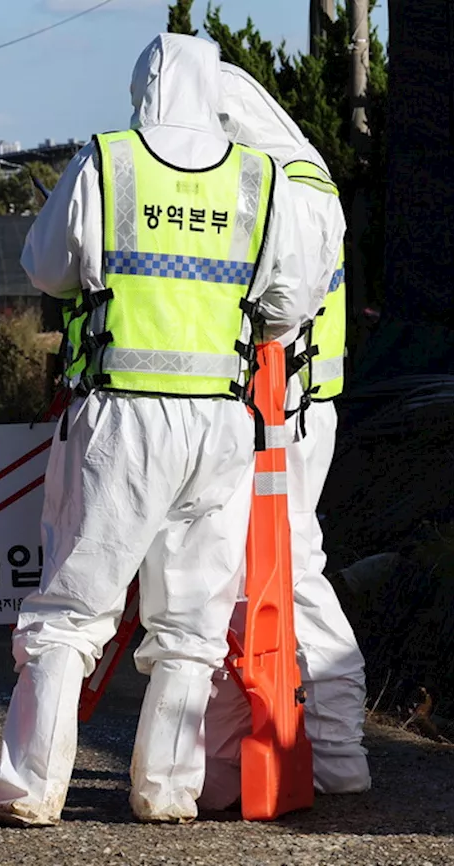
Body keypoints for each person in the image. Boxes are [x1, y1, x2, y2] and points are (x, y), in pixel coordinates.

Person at [0, 33, 314, 827]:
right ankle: (166, 790)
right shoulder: (259, 176)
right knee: (193, 620)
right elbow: (288, 305)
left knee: (72, 610)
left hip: (120, 414)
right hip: (221, 420)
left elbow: (47, 270)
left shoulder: (110, 159)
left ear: (142, 90)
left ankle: (32, 787)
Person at [198, 63, 370, 810]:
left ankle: (334, 749)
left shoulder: (286, 184)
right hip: (292, 405)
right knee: (262, 574)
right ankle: (287, 756)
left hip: (283, 411)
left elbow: (278, 307)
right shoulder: (303, 172)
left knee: (289, 570)